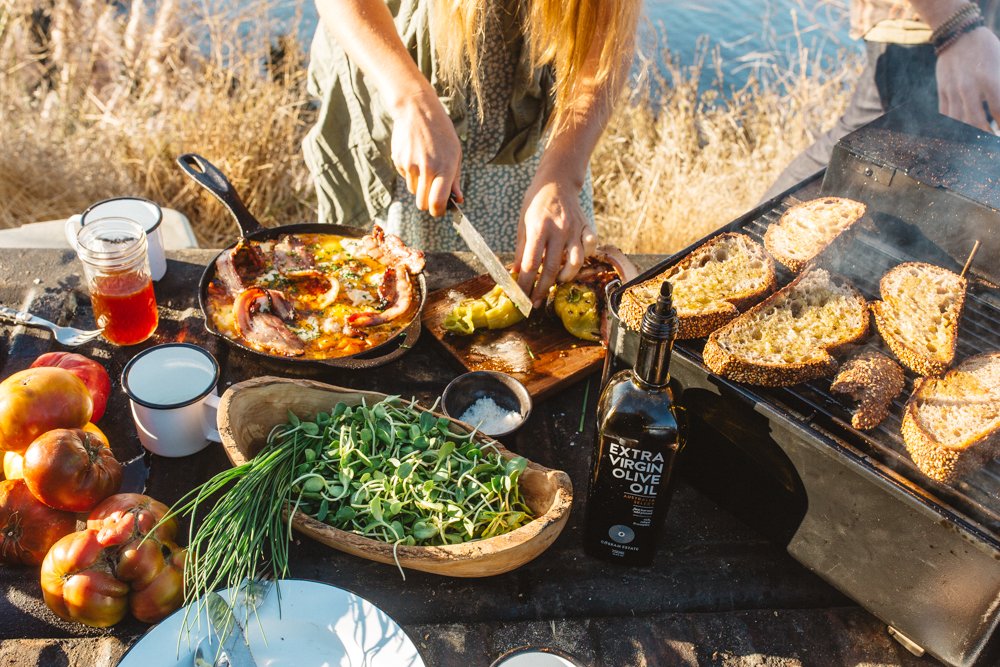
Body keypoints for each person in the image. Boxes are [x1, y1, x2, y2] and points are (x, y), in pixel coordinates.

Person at [303, 1, 640, 307]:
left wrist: (563, 177)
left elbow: (607, 35)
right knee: (369, 301)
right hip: (394, 87)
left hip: (536, 142)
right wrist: (410, 100)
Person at [762, 0, 1000, 200]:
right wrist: (956, 26)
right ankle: (753, 242)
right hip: (926, 32)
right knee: (855, 144)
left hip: (967, 34)